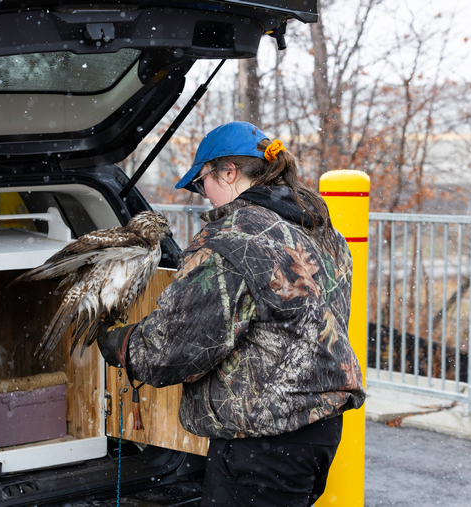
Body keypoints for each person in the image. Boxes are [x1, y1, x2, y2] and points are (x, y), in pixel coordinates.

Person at [98, 121, 365, 506]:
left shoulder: (232, 240)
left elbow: (171, 349)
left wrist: (121, 342)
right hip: (317, 433)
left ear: (228, 172)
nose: (201, 193)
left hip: (264, 443)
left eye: (202, 180)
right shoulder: (323, 232)